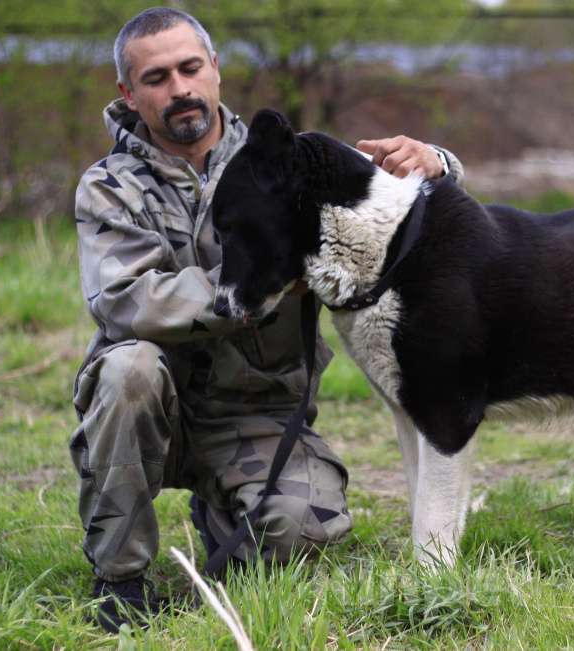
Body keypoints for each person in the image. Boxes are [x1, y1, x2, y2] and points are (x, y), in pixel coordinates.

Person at [71, 6, 464, 633]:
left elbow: (396, 212)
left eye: (190, 68)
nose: (179, 89)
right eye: (156, 78)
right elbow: (127, 300)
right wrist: (256, 286)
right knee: (129, 368)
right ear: (128, 92)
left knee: (302, 534)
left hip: (257, 416)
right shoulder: (109, 187)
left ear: (216, 69)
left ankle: (230, 516)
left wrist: (438, 163)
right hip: (154, 417)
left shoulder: (287, 162)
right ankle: (120, 581)